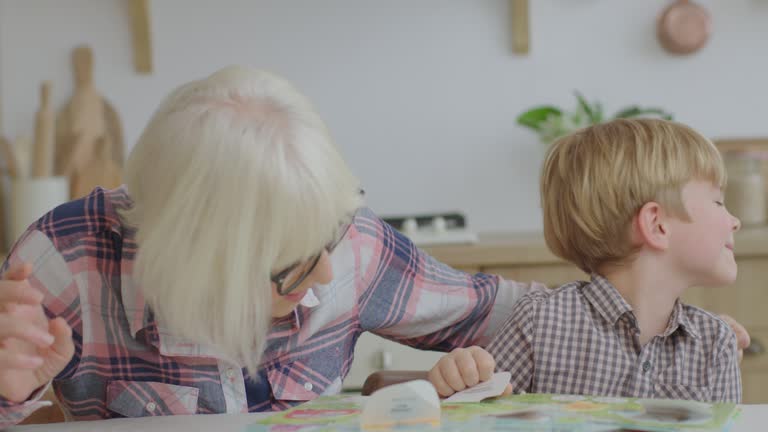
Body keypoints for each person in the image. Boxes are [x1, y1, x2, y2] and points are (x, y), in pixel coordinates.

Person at [0, 69, 748, 426]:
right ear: (201, 265)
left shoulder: (352, 253)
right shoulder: (63, 264)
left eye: (329, 237)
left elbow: (515, 312)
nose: (330, 272)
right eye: (294, 266)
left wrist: (668, 324)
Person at [429, 119, 742, 403]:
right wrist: (461, 381)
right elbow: (480, 415)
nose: (735, 221)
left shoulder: (716, 343)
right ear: (657, 224)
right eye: (718, 202)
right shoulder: (540, 322)